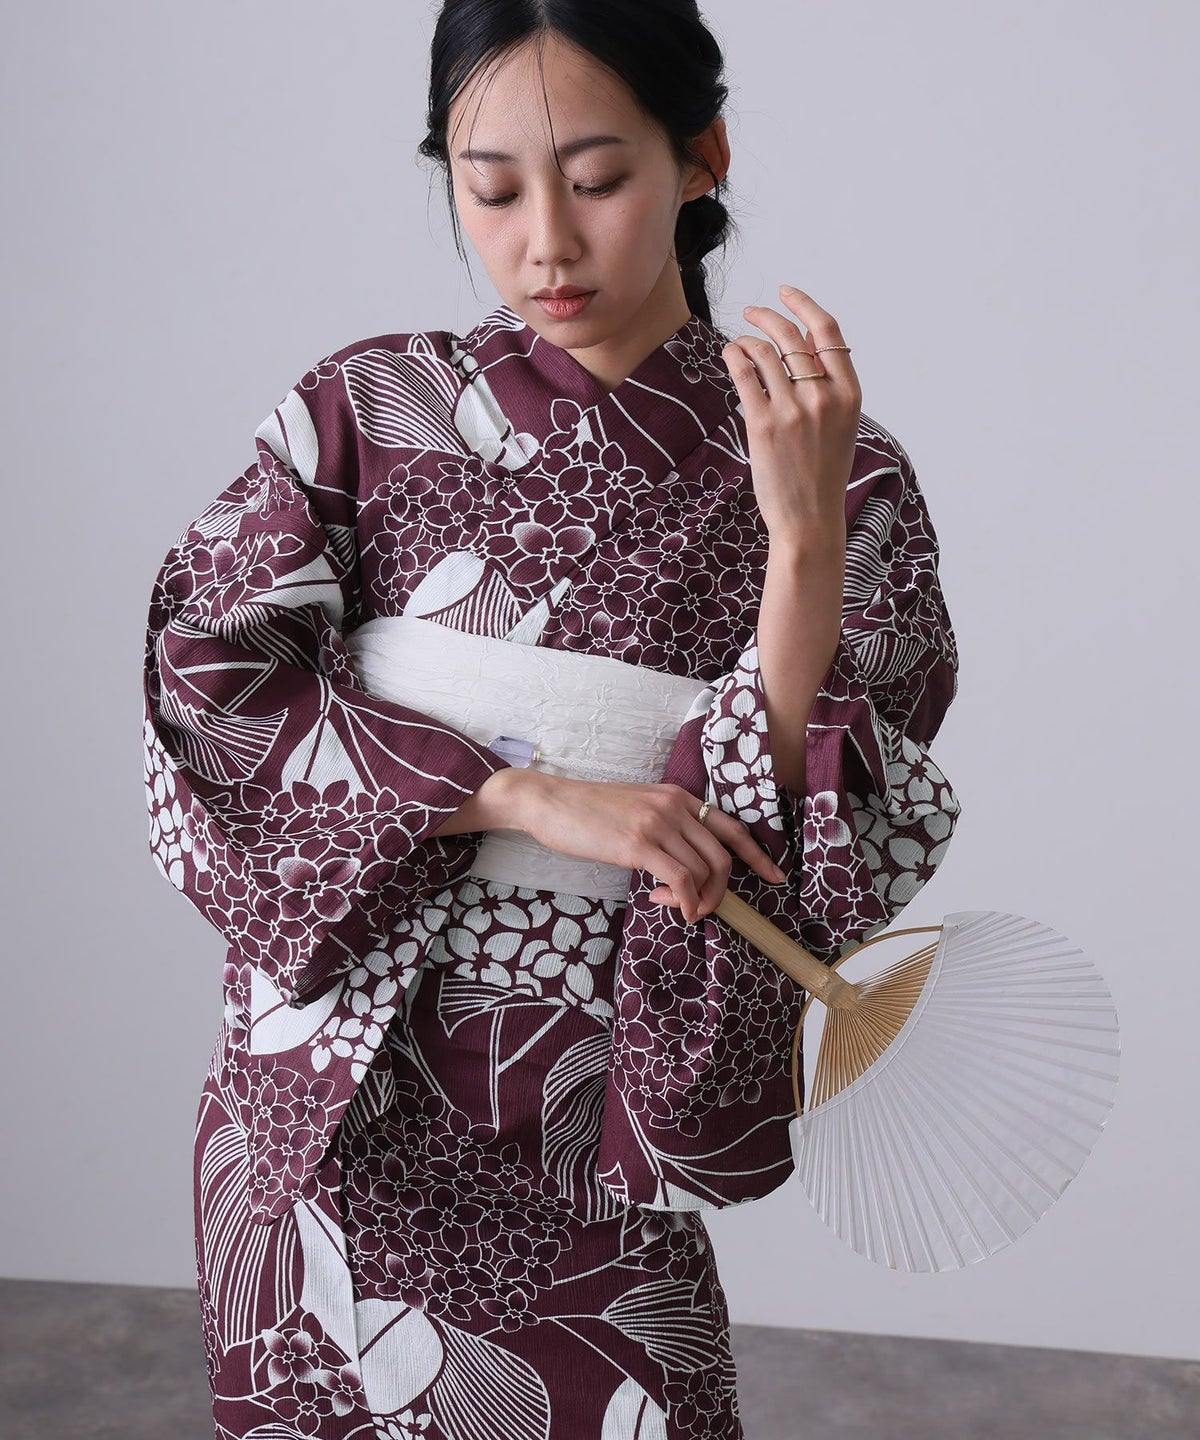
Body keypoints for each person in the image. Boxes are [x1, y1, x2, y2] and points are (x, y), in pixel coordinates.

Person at [141, 2, 962, 1435]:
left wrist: (803, 547)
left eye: (595, 180)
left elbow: (819, 850)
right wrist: (521, 792)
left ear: (700, 155)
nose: (546, 246)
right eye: (493, 190)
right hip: (329, 1099)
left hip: (588, 1102)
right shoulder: (370, 409)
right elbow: (210, 680)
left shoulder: (844, 471)